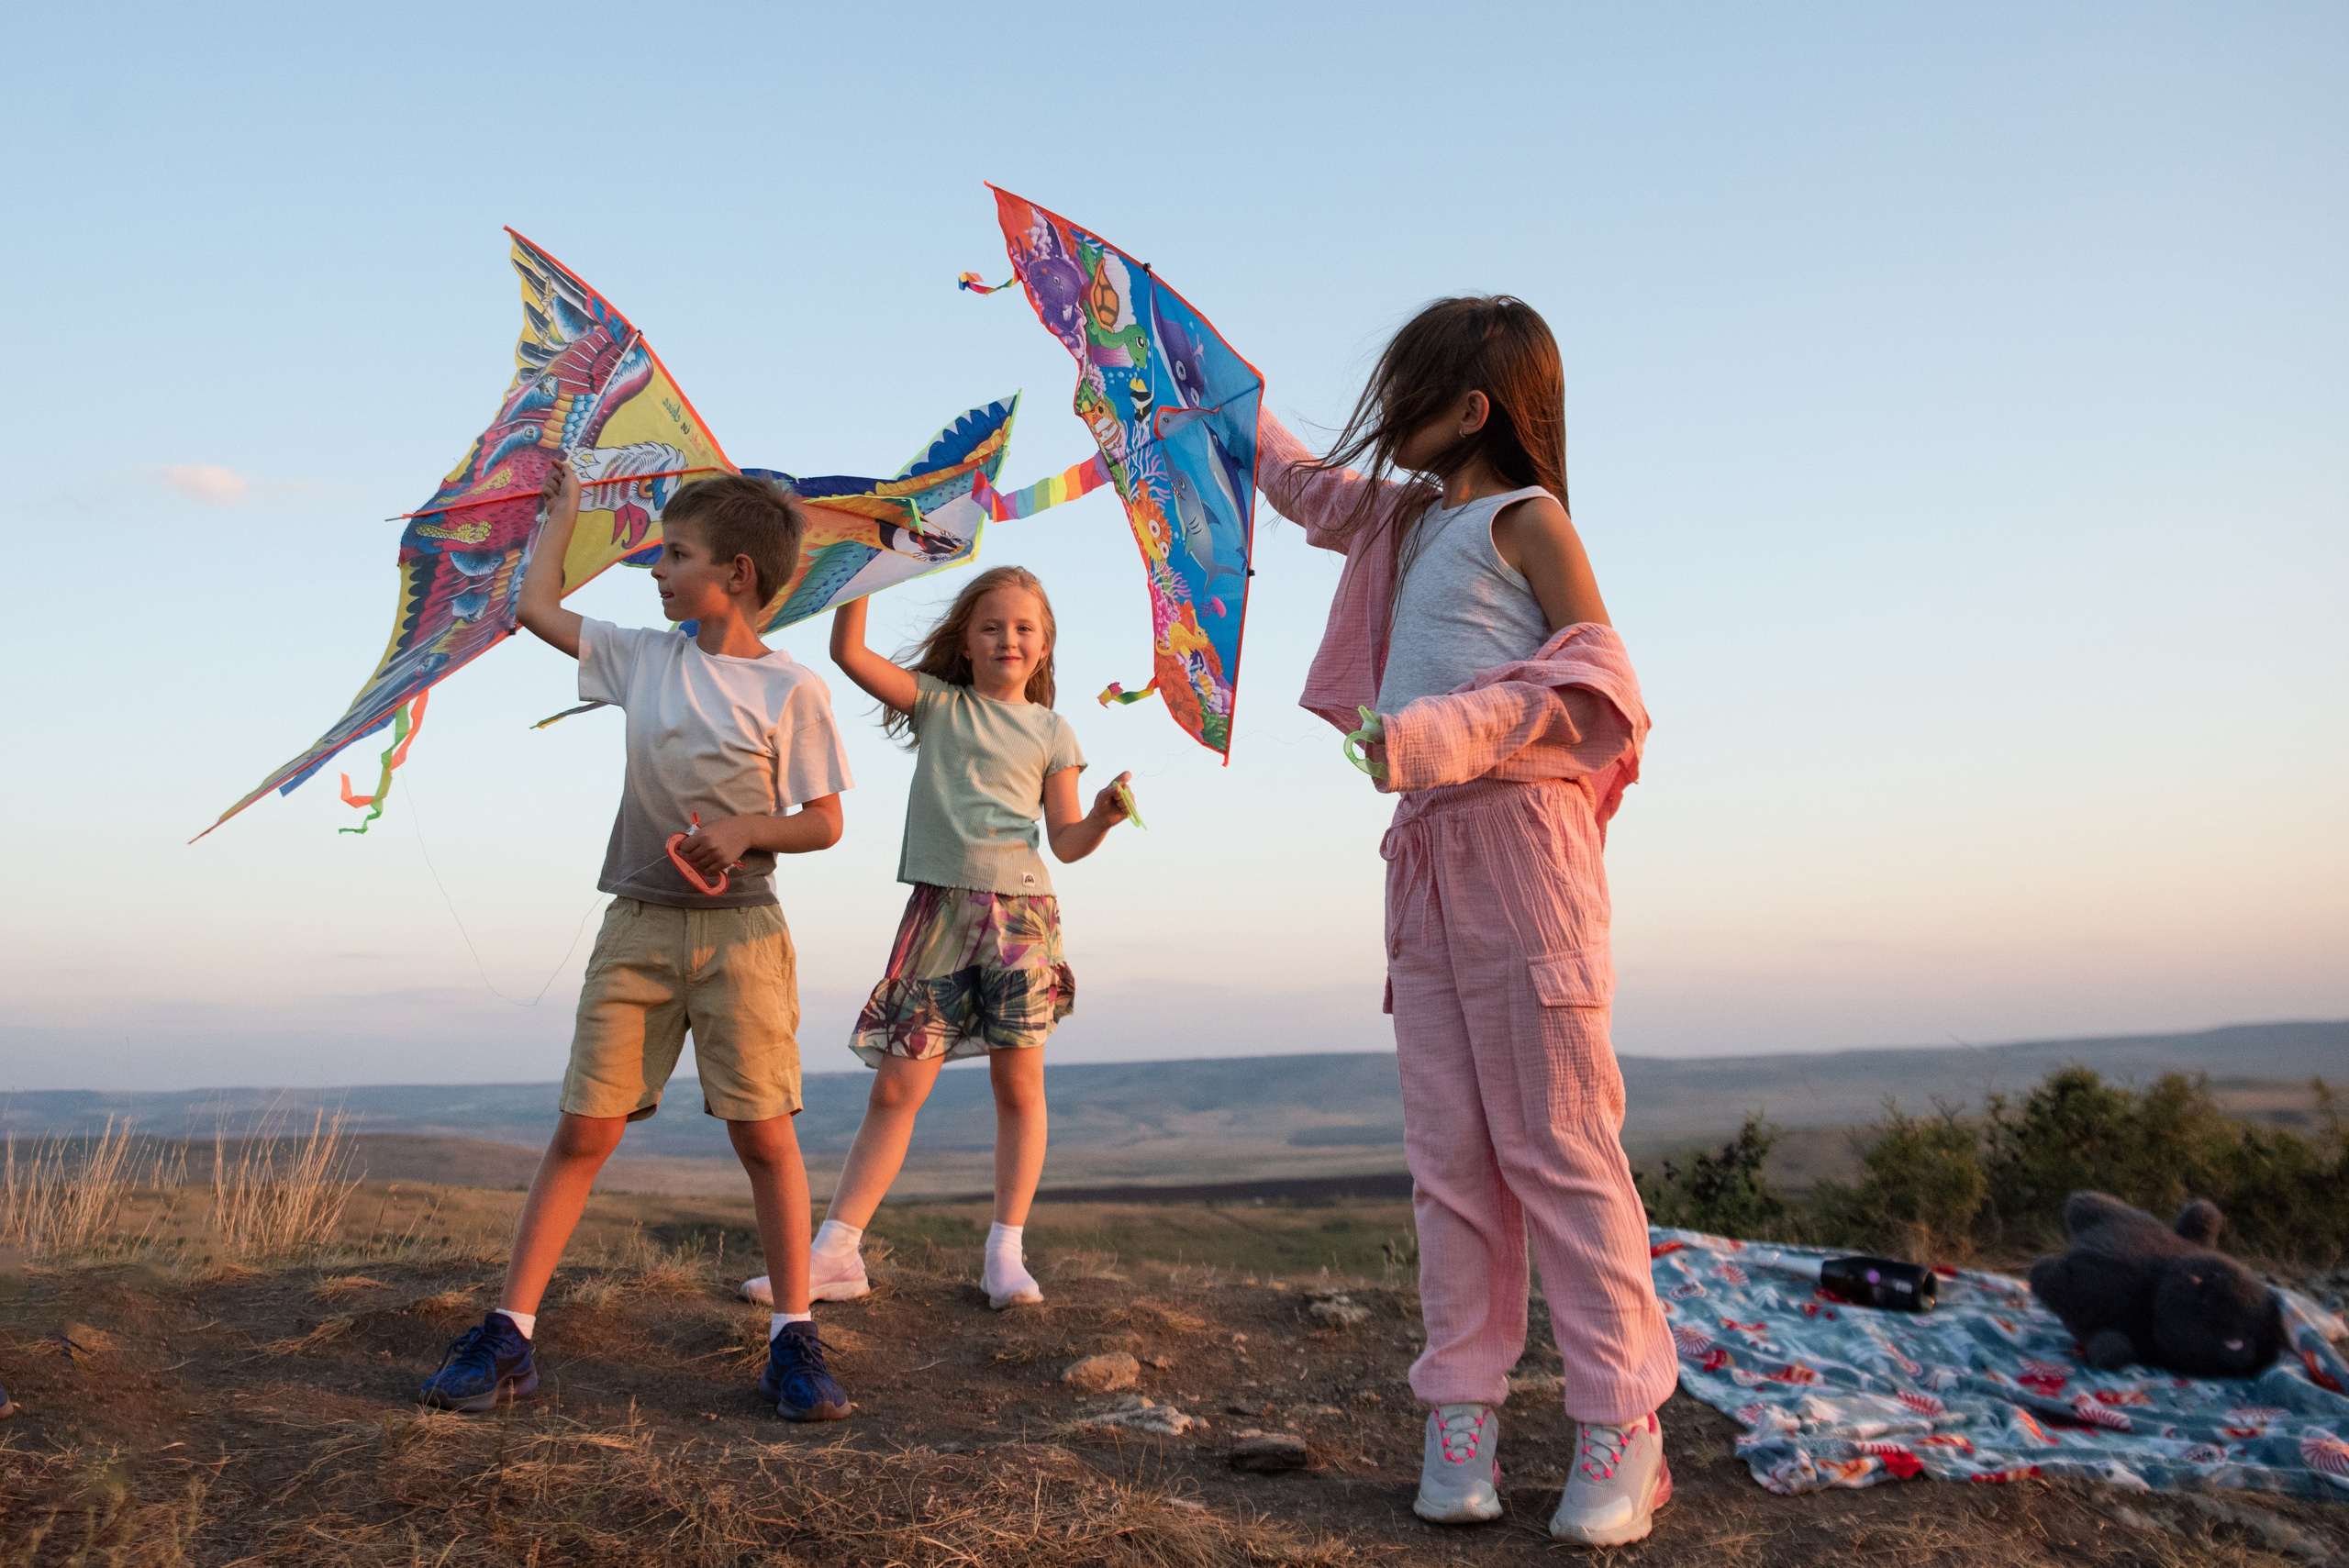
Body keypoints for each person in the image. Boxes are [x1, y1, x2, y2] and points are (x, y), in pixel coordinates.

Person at [1256, 297, 1677, 1546]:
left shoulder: (1525, 522)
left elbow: (1603, 689)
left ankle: (1621, 1425)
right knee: (1450, 1158)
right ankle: (1462, 1416)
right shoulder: (1400, 519)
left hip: (1524, 854)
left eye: (1408, 397)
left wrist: (1439, 732)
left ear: (1471, 409)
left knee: (1557, 1144)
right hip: (1426, 859)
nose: (1387, 423)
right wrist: (1182, 389)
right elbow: (1293, 479)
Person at [417, 462, 855, 1422]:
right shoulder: (644, 657)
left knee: (764, 1137)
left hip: (743, 939)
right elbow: (537, 604)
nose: (656, 566)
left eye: (675, 552)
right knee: (585, 1128)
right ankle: (509, 1332)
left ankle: (793, 1335)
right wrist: (563, 518)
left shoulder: (793, 689)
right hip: (636, 931)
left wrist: (746, 830)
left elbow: (824, 821)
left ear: (736, 573)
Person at [741, 567, 1132, 1314]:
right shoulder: (939, 703)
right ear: (966, 639)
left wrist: (1106, 817)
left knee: (1019, 1087)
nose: (1007, 639)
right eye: (991, 626)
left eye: (1023, 628)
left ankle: (1005, 1254)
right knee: (897, 1086)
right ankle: (837, 1254)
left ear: (1044, 645)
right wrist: (866, 568)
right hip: (937, 916)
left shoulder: (1055, 732)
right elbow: (850, 654)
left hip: (1021, 919)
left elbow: (1068, 839)